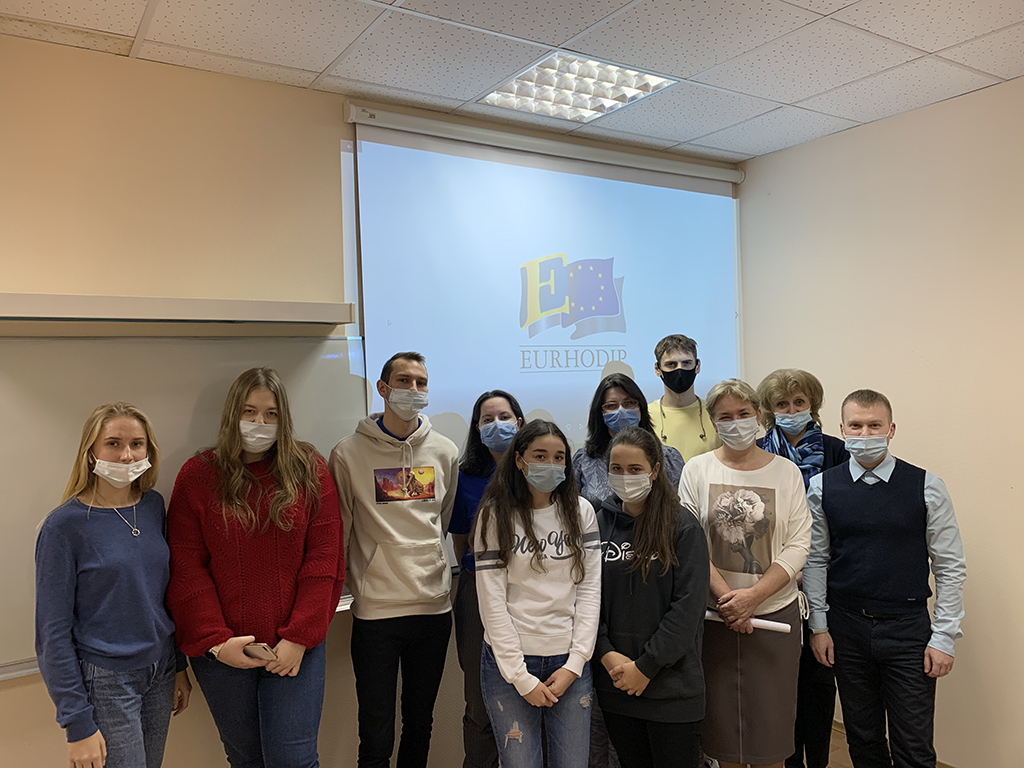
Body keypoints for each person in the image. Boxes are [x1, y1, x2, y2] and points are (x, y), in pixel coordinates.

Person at [168, 367, 344, 768]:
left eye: (271, 414)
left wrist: (298, 637)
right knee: (245, 759)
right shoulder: (198, 476)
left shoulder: (309, 469)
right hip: (223, 653)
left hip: (294, 648)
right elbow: (186, 567)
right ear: (233, 414)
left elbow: (325, 557)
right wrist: (217, 643)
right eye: (249, 412)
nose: (259, 423)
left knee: (294, 760)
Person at [804, 390, 966, 768]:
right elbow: (815, 560)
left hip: (907, 630)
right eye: (856, 426)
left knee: (913, 746)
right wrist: (819, 627)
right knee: (863, 740)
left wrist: (944, 637)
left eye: (874, 425)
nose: (865, 434)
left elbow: (949, 565)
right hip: (846, 628)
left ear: (891, 429)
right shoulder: (822, 487)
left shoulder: (927, 486)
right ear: (842, 429)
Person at [36, 402, 191, 768]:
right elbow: (51, 633)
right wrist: (76, 723)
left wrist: (179, 666)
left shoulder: (153, 506)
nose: (126, 455)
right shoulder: (64, 527)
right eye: (113, 444)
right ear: (90, 451)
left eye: (137, 444)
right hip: (106, 680)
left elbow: (162, 595)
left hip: (160, 670)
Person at [329, 351, 460, 768]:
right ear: (383, 388)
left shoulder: (445, 451)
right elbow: (341, 529)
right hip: (376, 613)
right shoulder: (347, 454)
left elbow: (441, 521)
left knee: (420, 724)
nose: (413, 390)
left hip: (433, 608)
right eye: (404, 381)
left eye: (421, 382)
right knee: (375, 731)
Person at [678, 379, 812, 768]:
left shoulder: (787, 472)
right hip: (714, 620)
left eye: (743, 413)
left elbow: (799, 545)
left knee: (771, 737)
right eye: (725, 416)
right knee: (722, 740)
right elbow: (690, 544)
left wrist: (753, 598)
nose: (735, 422)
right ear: (713, 422)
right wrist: (729, 602)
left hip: (774, 619)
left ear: (758, 415)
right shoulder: (696, 470)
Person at [473, 420, 602, 768]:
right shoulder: (494, 515)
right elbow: (492, 601)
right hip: (510, 664)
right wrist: (520, 676)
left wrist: (576, 663)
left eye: (559, 457)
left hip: (569, 661)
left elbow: (590, 591)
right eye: (540, 456)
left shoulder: (581, 511)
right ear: (519, 460)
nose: (551, 464)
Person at [595, 427, 710, 768]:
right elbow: (585, 599)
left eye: (635, 469)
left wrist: (646, 667)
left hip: (671, 688)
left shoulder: (683, 526)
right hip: (616, 682)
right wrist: (605, 653)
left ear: (655, 470)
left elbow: (687, 608)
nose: (625, 477)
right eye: (617, 469)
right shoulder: (597, 524)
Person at [754, 369, 849, 768]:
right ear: (769, 410)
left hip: (824, 582)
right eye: (782, 404)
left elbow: (846, 516)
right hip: (773, 581)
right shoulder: (757, 452)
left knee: (819, 681)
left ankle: (819, 761)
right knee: (781, 684)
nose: (792, 411)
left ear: (813, 405)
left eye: (799, 403)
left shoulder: (837, 451)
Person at [449, 389, 525, 768]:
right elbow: (461, 542)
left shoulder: (538, 470)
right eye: (487, 419)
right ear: (477, 429)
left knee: (531, 690)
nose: (497, 424)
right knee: (479, 701)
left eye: (504, 417)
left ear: (519, 422)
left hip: (530, 593)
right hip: (476, 592)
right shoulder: (464, 479)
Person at [575, 373, 685, 509]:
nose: (621, 411)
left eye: (629, 403)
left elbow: (679, 506)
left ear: (641, 408)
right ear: (600, 413)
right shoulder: (583, 460)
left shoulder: (669, 457)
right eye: (611, 406)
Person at [648, 335, 721, 463]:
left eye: (686, 363)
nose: (679, 370)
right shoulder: (645, 415)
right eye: (671, 364)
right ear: (657, 369)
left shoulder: (716, 413)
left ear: (697, 366)